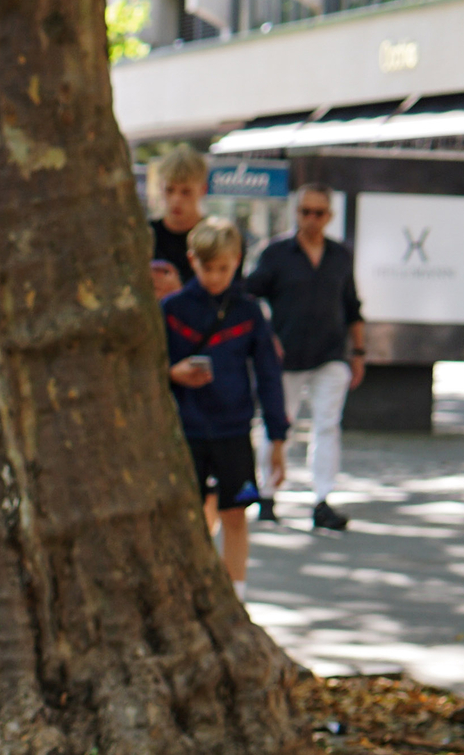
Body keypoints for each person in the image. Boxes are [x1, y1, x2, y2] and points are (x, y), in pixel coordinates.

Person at [164, 216, 288, 598]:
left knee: (235, 514)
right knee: (191, 517)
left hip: (234, 429)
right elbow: (147, 368)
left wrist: (277, 437)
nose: (215, 276)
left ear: (236, 261)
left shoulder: (249, 312)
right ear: (192, 261)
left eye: (223, 268)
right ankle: (192, 591)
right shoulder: (171, 309)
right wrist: (173, 372)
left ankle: (236, 593)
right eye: (207, 267)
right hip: (187, 429)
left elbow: (268, 374)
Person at [241, 184, 363, 532]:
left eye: (318, 213)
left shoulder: (340, 255)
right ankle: (267, 495)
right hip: (286, 356)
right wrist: (266, 338)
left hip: (330, 354)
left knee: (327, 425)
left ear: (329, 217)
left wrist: (358, 351)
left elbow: (352, 304)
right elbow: (250, 296)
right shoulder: (276, 253)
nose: (311, 219)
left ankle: (322, 499)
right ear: (296, 213)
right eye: (305, 212)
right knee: (279, 426)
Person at [146, 146, 208, 302]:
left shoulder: (218, 237)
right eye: (170, 190)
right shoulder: (145, 235)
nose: (176, 200)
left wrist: (178, 293)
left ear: (203, 190)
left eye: (185, 192)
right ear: (160, 188)